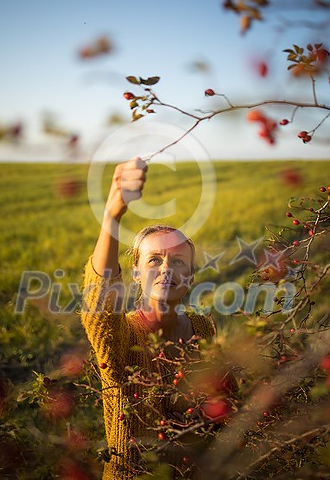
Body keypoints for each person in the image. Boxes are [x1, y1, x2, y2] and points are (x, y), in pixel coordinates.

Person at [81, 158, 216, 480]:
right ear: (138, 273)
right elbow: (100, 303)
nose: (167, 268)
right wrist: (112, 216)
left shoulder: (203, 328)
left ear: (191, 275)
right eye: (154, 259)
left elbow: (225, 399)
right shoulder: (122, 335)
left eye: (178, 261)